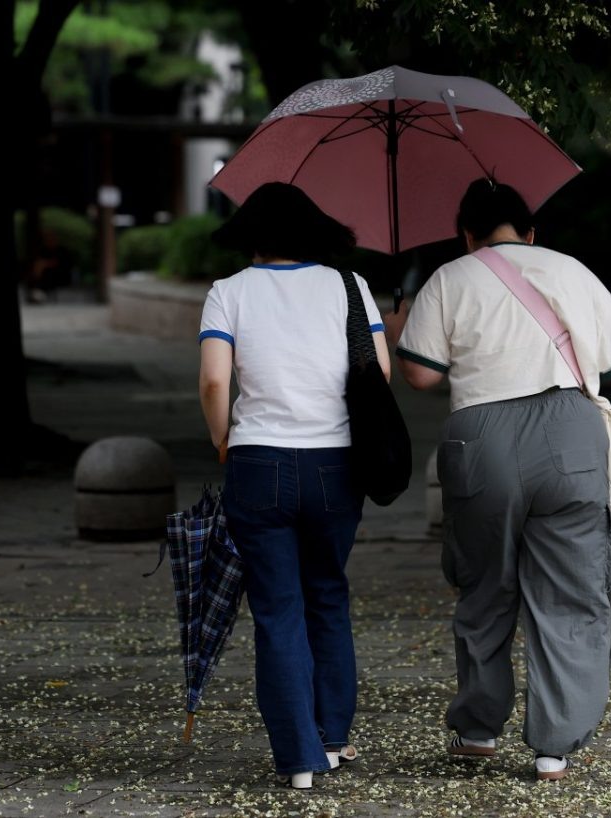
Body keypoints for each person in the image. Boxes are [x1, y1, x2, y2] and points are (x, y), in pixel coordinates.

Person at [386, 178, 611, 782]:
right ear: (530, 233)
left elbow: (420, 378)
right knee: (573, 591)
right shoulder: (572, 271)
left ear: (467, 234)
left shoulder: (450, 277)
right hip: (571, 433)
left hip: (481, 440)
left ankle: (477, 731)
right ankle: (555, 745)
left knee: (484, 586)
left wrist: (402, 330)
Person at [198, 182, 392, 789]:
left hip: (259, 462)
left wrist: (223, 437)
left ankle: (298, 760)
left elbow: (212, 381)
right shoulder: (349, 286)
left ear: (251, 235)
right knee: (328, 595)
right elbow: (380, 373)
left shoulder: (228, 292)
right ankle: (333, 739)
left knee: (277, 610)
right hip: (337, 464)